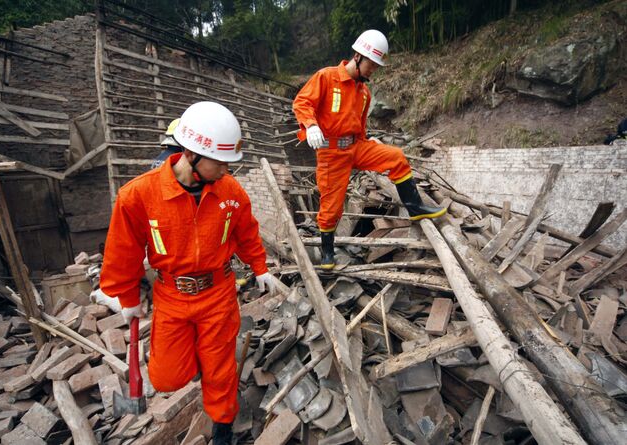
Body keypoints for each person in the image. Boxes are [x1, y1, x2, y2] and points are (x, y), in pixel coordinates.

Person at [99, 101, 275, 445]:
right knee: (166, 378)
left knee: (220, 372)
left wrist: (260, 268)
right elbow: (123, 251)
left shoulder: (231, 192)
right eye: (220, 163)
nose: (226, 171)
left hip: (218, 293)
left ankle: (222, 429)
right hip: (172, 297)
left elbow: (247, 233)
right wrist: (128, 298)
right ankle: (197, 361)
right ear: (192, 154)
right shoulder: (138, 195)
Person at [292, 29, 446, 270]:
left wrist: (368, 141)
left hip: (357, 146)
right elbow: (302, 102)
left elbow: (360, 125)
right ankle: (327, 250)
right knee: (332, 206)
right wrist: (310, 125)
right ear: (357, 56)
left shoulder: (364, 92)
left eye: (376, 65)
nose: (373, 70)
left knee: (396, 157)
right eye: (371, 64)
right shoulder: (326, 77)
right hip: (331, 153)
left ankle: (415, 208)